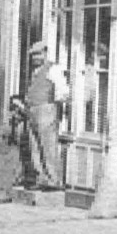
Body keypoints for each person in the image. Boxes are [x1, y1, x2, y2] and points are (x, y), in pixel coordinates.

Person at [22, 42, 69, 190]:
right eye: (33, 55)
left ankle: (54, 180)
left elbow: (63, 90)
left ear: (45, 53)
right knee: (35, 146)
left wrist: (53, 105)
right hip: (33, 109)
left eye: (38, 54)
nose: (36, 58)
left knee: (47, 145)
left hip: (46, 109)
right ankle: (41, 178)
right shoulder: (35, 71)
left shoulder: (53, 69)